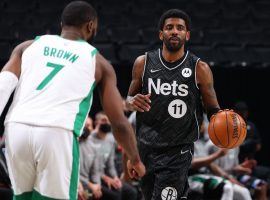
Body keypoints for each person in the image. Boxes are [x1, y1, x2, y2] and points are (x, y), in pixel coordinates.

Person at [0, 1, 145, 199]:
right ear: (91, 26)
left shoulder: (27, 46)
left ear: (62, 24)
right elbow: (119, 122)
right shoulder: (99, 62)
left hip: (16, 129)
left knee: (23, 197)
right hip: (57, 131)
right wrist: (135, 159)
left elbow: (3, 86)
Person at [126, 9, 222, 200]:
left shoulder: (199, 68)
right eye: (169, 27)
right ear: (161, 34)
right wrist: (131, 102)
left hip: (178, 152)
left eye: (180, 28)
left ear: (187, 35)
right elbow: (128, 103)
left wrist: (224, 123)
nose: (174, 31)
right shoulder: (143, 63)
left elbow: (213, 109)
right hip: (145, 148)